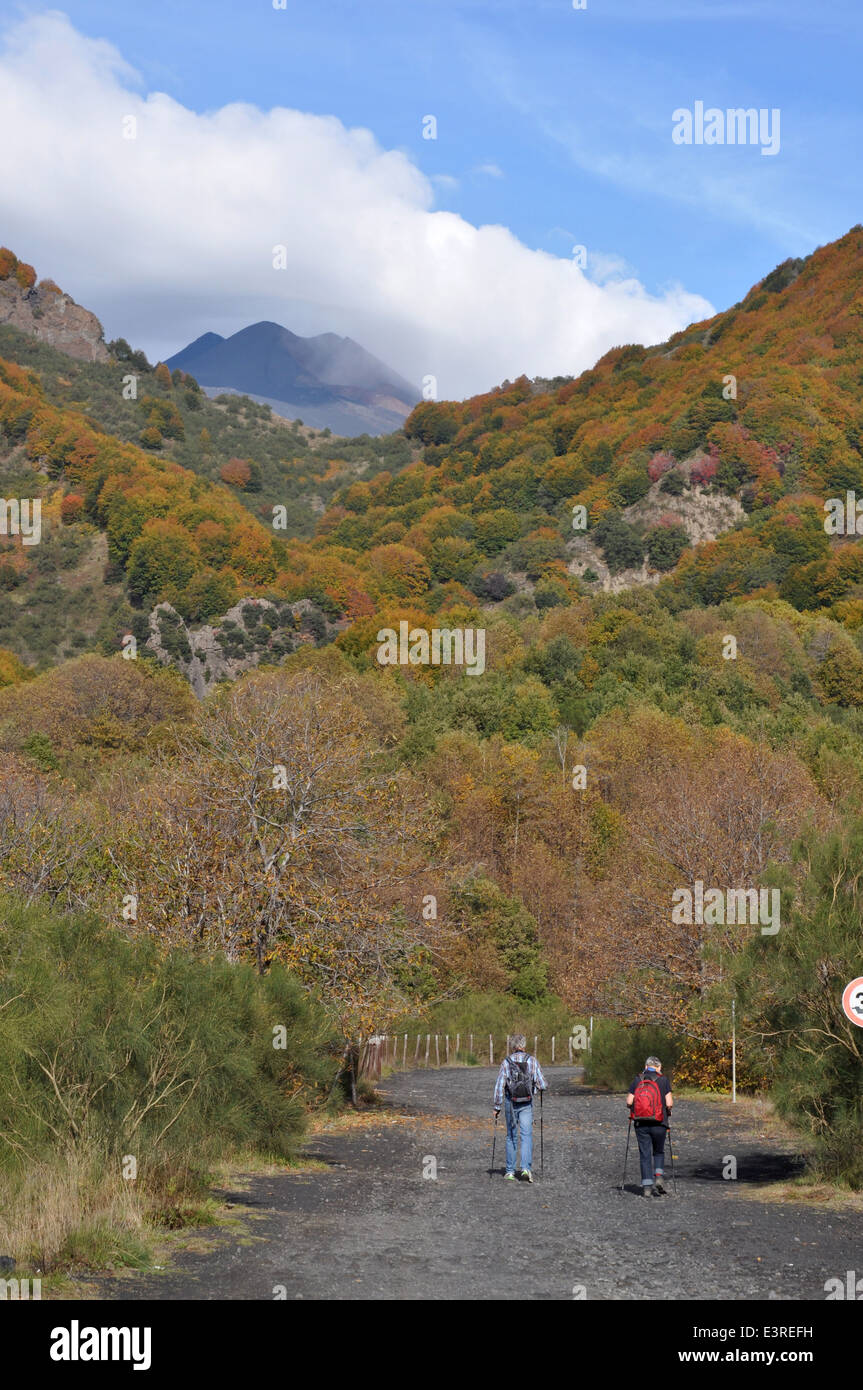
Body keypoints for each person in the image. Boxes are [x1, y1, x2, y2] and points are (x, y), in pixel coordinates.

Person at [493, 1035, 547, 1182]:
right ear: (524, 1045)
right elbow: (542, 1084)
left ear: (512, 1046)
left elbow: (499, 1085)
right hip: (526, 1103)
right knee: (526, 1135)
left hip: (511, 1102)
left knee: (511, 1136)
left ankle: (510, 1172)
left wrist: (497, 1106)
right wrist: (534, 1089)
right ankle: (525, 1169)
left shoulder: (506, 1062)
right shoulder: (532, 1061)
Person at [626, 1055, 673, 1197]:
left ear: (646, 1066)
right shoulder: (663, 1080)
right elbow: (669, 1103)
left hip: (641, 1123)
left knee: (644, 1154)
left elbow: (629, 1101)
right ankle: (658, 1176)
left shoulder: (637, 1079)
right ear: (658, 1067)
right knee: (658, 1151)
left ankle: (646, 1187)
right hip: (659, 1122)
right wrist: (667, 1112)